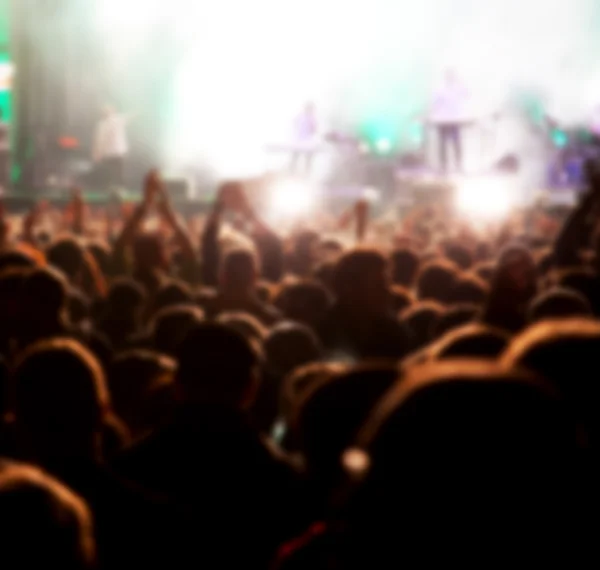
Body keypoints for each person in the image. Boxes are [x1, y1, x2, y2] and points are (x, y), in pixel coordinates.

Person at [429, 70, 469, 174]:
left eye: (452, 76)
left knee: (456, 143)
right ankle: (444, 165)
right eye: (449, 76)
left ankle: (458, 164)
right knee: (443, 143)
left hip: (454, 120)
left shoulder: (458, 87)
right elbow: (435, 104)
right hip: (443, 120)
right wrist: (433, 116)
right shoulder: (440, 89)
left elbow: (467, 94)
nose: (451, 78)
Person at [92, 105, 130, 189]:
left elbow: (130, 116)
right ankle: (109, 188)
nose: (106, 112)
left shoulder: (118, 119)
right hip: (107, 153)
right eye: (104, 110)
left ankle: (120, 189)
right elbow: (98, 140)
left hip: (117, 152)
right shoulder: (101, 125)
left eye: (108, 110)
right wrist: (97, 153)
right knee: (109, 173)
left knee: (118, 172)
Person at [291, 101, 319, 175]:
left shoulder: (303, 117)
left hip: (303, 141)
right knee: (300, 157)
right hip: (302, 140)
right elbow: (314, 129)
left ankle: (300, 172)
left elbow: (314, 129)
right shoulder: (307, 117)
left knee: (302, 158)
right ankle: (298, 172)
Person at [0, 107, 10, 192]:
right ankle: (4, 186)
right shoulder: (6, 124)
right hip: (6, 149)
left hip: (2, 150)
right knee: (4, 168)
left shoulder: (3, 125)